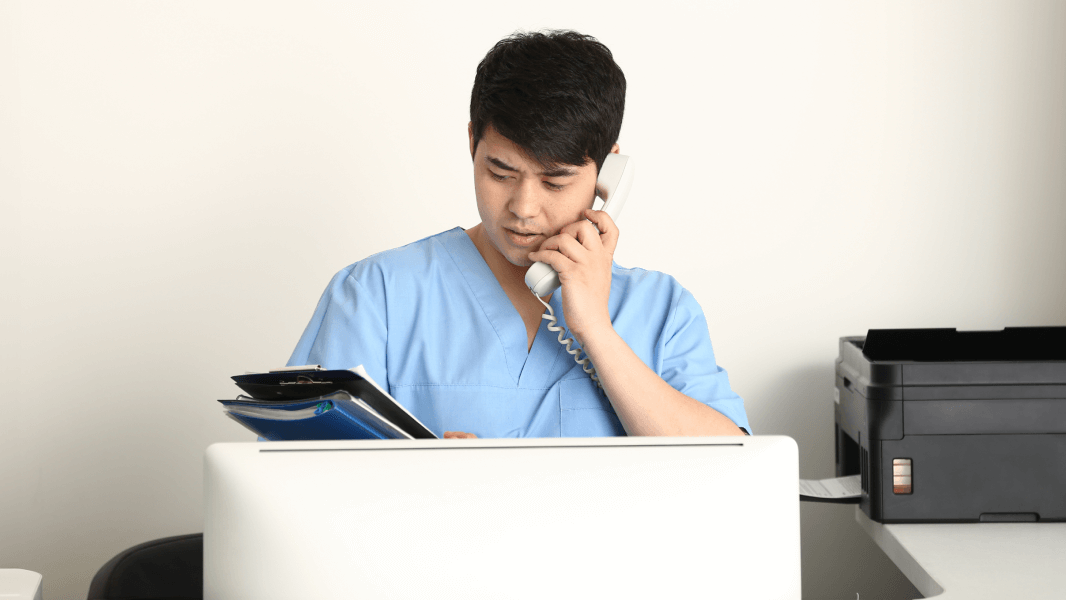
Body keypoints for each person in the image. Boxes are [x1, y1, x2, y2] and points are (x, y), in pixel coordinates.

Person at [287, 30, 750, 438]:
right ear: (473, 142)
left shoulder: (663, 310)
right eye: (501, 172)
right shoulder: (375, 296)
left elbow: (734, 468)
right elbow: (298, 480)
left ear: (608, 174)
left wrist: (595, 330)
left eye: (555, 182)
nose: (523, 209)